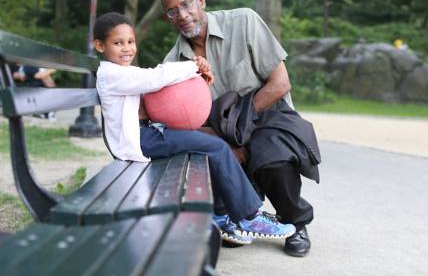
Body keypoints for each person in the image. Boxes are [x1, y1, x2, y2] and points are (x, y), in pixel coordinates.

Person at [94, 12, 295, 247]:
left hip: (146, 134)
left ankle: (220, 215)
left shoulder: (121, 73)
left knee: (208, 145)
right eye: (118, 43)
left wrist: (194, 69)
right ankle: (250, 217)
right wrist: (194, 65)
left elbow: (153, 81)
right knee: (217, 147)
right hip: (140, 140)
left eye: (130, 41)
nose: (127, 48)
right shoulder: (111, 74)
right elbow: (154, 78)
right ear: (99, 46)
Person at [160, 0, 321, 257]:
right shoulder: (172, 64)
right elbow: (181, 122)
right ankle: (240, 217)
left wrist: (238, 128)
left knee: (272, 156)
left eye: (186, 4)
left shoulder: (244, 21)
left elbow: (280, 84)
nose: (182, 15)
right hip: (220, 130)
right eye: (173, 11)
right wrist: (225, 140)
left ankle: (295, 223)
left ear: (201, 1)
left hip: (268, 113)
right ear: (168, 18)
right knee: (211, 154)